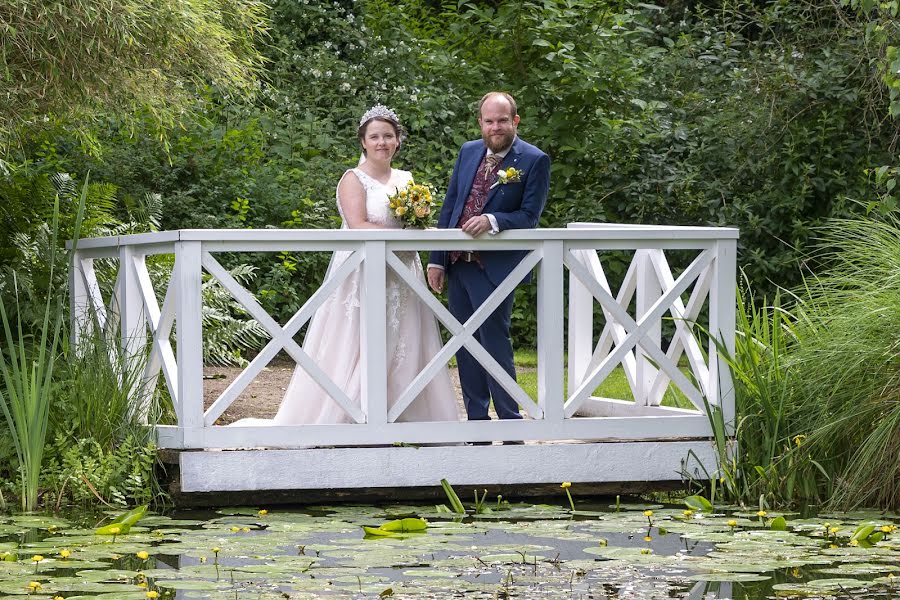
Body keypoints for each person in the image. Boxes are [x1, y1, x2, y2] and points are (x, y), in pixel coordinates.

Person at [233, 105, 459, 426]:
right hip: (363, 272)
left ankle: (404, 414)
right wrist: (404, 235)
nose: (382, 142)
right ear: (363, 142)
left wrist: (420, 231)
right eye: (375, 137)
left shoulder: (407, 180)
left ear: (398, 141)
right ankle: (355, 414)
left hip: (403, 271)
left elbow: (413, 222)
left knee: (406, 337)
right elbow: (358, 225)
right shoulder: (353, 179)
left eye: (388, 136)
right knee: (359, 339)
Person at [427, 92, 550, 426]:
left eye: (502, 120)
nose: (496, 127)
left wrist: (493, 221)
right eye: (489, 121)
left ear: (515, 121)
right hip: (458, 264)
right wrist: (437, 259)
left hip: (494, 268)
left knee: (494, 343)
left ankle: (510, 422)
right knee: (464, 346)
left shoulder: (534, 160)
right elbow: (451, 205)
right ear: (480, 122)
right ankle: (477, 424)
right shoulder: (468, 151)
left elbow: (529, 216)